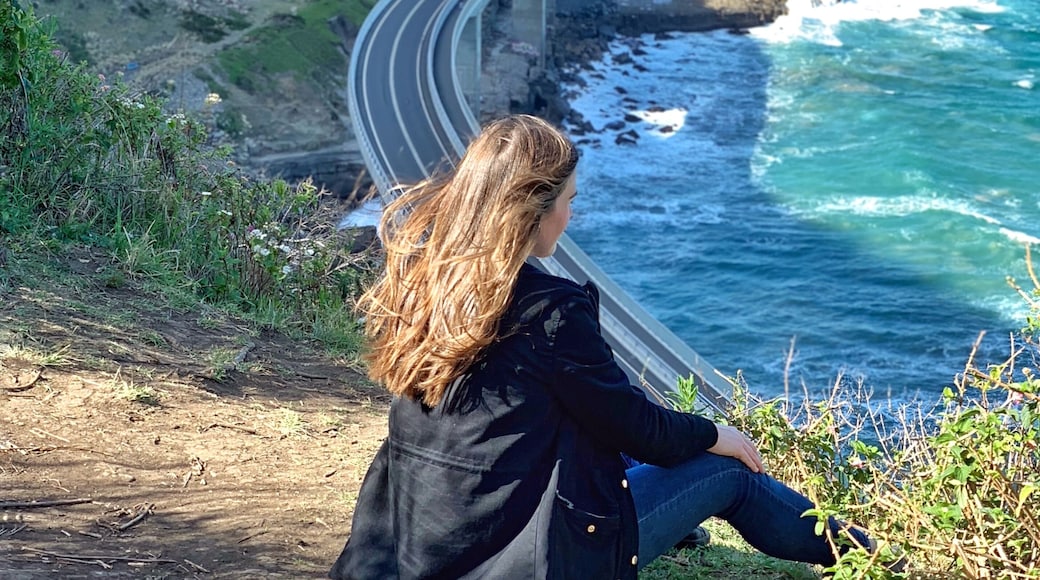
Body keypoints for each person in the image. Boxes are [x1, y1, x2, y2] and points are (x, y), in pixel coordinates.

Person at [329, 114, 872, 579]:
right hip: (519, 560)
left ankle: (688, 529)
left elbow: (583, 414)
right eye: (568, 200)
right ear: (530, 210)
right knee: (727, 471)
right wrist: (716, 434)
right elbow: (637, 428)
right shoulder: (548, 311)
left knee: (613, 419)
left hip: (406, 547)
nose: (572, 214)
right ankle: (874, 557)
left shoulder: (426, 281)